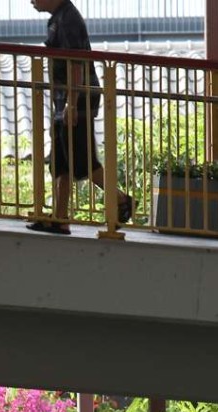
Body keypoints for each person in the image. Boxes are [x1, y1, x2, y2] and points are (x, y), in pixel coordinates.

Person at [26, 0, 135, 236]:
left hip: (77, 99)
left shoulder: (68, 19)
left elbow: (76, 63)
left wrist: (72, 104)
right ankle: (60, 218)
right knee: (61, 161)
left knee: (82, 160)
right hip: (64, 99)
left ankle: (122, 201)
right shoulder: (58, 18)